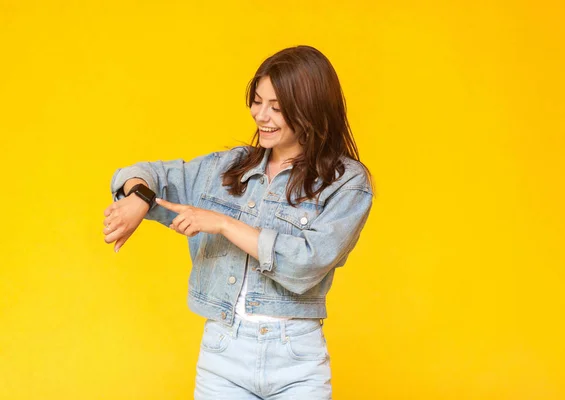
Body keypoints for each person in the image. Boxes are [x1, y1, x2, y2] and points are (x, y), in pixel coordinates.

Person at [103, 45, 373, 400]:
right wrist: (138, 197)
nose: (261, 115)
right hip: (223, 357)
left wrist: (223, 224)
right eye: (257, 101)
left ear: (311, 110)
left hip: (296, 359)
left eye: (277, 108)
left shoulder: (346, 182)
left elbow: (306, 264)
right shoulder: (228, 167)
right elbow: (145, 174)